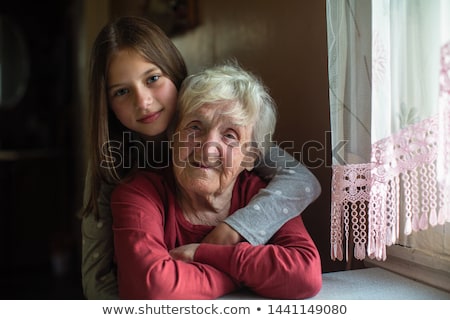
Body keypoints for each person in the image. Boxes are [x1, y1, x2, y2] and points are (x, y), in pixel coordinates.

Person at [81, 16, 321, 299]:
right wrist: (243, 274)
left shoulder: (213, 109)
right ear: (108, 105)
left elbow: (302, 181)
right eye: (121, 91)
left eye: (153, 78)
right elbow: (99, 277)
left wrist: (235, 230)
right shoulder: (117, 167)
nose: (143, 101)